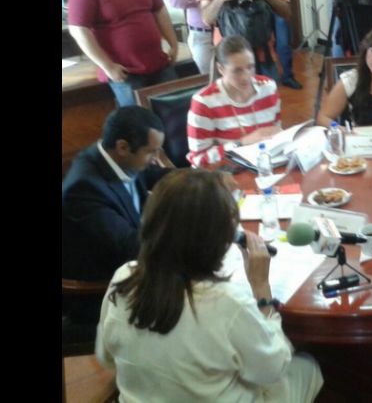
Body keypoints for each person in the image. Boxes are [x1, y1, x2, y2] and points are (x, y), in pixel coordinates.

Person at [96, 169, 324, 402]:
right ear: (217, 241)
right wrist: (261, 288)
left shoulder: (123, 277)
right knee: (308, 366)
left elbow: (106, 357)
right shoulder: (227, 302)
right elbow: (273, 368)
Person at [63, 106, 170, 322]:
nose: (155, 158)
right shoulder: (84, 189)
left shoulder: (116, 157)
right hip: (106, 288)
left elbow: (155, 174)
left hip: (136, 257)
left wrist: (204, 180)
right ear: (123, 147)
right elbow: (130, 245)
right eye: (151, 152)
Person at [187, 35, 281, 167]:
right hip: (227, 171)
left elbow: (276, 132)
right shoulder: (204, 102)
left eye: (250, 67)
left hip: (265, 164)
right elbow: (198, 159)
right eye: (237, 71)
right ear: (221, 69)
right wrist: (240, 143)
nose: (246, 76)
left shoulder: (268, 87)